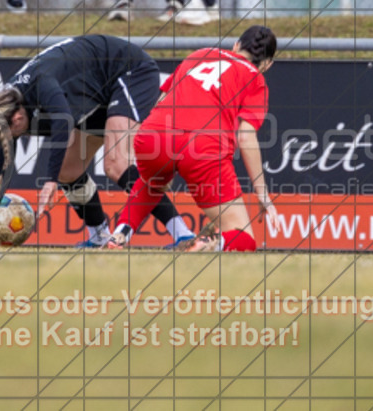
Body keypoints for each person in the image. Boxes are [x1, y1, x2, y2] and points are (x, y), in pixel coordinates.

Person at [0, 35, 195, 248]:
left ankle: (184, 234)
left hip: (129, 71)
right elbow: (0, 170)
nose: (11, 140)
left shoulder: (41, 83)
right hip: (95, 93)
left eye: (10, 134)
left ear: (17, 119)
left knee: (115, 165)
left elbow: (64, 122)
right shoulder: (6, 106)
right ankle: (98, 235)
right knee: (68, 171)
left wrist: (50, 181)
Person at [109, 25, 281, 251]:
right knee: (244, 236)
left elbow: (161, 99)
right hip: (203, 146)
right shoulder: (255, 79)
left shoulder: (201, 54)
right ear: (267, 64)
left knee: (152, 182)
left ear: (236, 45)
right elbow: (246, 137)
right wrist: (262, 193)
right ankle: (209, 244)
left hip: (155, 134)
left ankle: (119, 234)